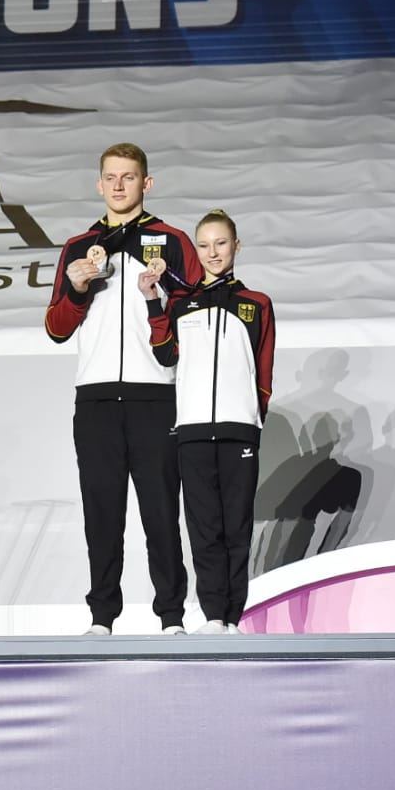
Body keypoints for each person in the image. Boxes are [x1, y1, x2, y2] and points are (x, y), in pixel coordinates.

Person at [45, 143, 200, 635]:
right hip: (94, 398)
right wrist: (76, 289)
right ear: (98, 184)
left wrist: (162, 296)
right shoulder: (77, 247)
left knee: (160, 513)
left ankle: (171, 618)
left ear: (146, 184)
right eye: (110, 177)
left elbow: (194, 317)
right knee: (102, 514)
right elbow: (56, 328)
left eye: (128, 177)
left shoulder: (172, 241)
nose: (118, 185)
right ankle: (102, 618)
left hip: (154, 394)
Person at [144, 210, 275, 634]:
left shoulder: (257, 304)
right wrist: (153, 302)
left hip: (239, 430)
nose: (213, 252)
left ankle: (234, 617)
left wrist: (253, 422)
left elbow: (264, 373)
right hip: (194, 432)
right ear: (196, 250)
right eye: (204, 245)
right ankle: (214, 616)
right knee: (203, 529)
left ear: (236, 247)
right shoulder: (182, 303)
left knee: (236, 527)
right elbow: (165, 355)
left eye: (221, 243)